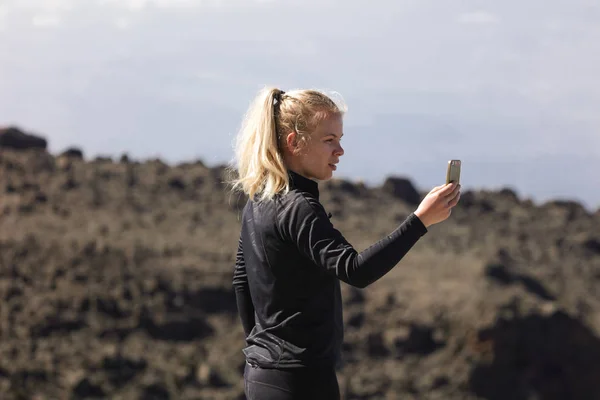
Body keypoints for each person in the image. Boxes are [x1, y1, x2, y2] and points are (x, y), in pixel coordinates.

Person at [229, 87, 461, 400]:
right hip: (302, 381)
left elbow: (242, 283)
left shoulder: (257, 201)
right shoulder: (299, 207)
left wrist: (262, 351)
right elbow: (356, 270)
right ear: (294, 143)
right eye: (329, 141)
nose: (339, 151)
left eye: (340, 139)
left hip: (262, 376)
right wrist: (419, 221)